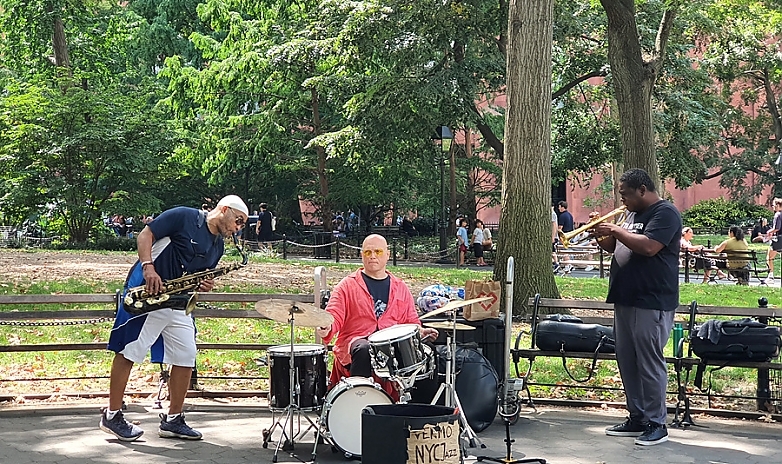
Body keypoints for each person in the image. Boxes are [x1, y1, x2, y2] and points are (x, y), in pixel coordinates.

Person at [99, 195, 249, 442]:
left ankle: (173, 420)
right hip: (149, 295)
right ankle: (112, 415)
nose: (238, 228)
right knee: (129, 352)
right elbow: (144, 235)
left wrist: (204, 283)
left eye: (242, 224)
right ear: (224, 209)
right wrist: (148, 267)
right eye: (238, 220)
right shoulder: (184, 216)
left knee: (186, 356)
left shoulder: (218, 246)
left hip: (179, 303)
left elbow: (199, 274)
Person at [593, 168, 681, 446]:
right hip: (625, 296)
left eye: (626, 195)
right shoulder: (630, 214)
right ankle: (638, 417)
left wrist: (617, 230)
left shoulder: (665, 213)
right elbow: (614, 247)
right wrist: (603, 234)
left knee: (649, 362)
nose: (622, 201)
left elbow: (649, 247)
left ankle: (658, 424)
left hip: (652, 299)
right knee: (628, 361)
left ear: (642, 189)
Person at [316, 234, 438, 398]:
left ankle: (420, 411)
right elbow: (333, 315)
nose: (372, 256)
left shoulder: (400, 287)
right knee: (364, 349)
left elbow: (411, 322)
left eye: (378, 252)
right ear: (361, 255)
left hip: (392, 350)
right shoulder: (347, 285)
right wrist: (326, 327)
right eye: (368, 252)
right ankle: (357, 402)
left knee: (429, 353)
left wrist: (421, 332)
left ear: (387, 254)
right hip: (357, 346)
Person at [765, 198, 782, 280]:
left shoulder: (777, 215)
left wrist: (769, 232)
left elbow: (777, 228)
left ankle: (770, 276)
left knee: (769, 257)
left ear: (778, 205)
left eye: (773, 205)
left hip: (778, 240)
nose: (773, 207)